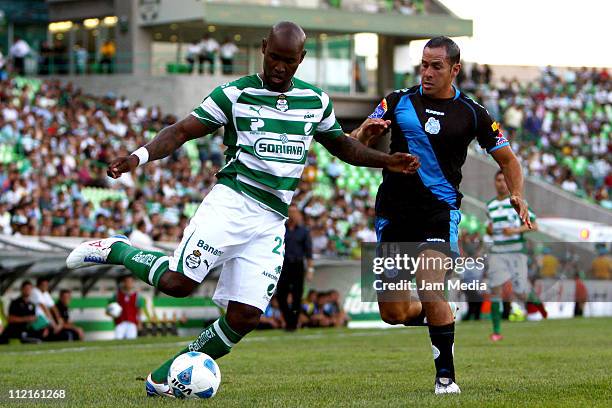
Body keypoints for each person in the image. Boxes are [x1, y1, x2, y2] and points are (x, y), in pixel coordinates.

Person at [66, 21, 419, 397]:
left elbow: (342, 146)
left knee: (246, 315)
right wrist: (138, 157)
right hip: (232, 203)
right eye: (274, 57)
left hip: (272, 220)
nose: (279, 67)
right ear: (263, 49)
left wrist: (386, 161)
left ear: (301, 60)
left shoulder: (315, 101)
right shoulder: (235, 94)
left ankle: (167, 375)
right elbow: (183, 130)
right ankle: (116, 248)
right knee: (178, 284)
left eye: (289, 61)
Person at [352, 36, 533, 394]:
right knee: (394, 314)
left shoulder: (473, 113)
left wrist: (517, 194)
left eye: (436, 66)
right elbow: (355, 144)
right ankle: (442, 313)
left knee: (431, 284)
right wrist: (365, 133)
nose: (427, 72)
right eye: (423, 64)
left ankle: (445, 379)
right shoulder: (396, 101)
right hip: (393, 213)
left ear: (455, 69)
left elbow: (509, 160)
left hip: (439, 212)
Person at [486, 170, 537, 341]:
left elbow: (534, 225)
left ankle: (536, 305)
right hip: (498, 251)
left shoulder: (518, 202)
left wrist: (515, 230)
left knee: (520, 290)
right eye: (498, 180)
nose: (501, 183)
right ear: (494, 182)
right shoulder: (490, 205)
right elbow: (489, 226)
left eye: (503, 180)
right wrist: (489, 229)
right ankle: (496, 331)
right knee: (495, 289)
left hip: (516, 251)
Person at [276, 204, 313, 331]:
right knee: (281, 295)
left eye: (295, 212)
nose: (293, 215)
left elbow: (309, 252)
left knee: (297, 296)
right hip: (283, 265)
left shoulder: (304, 231)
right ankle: (289, 320)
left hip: (297, 265)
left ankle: (293, 323)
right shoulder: (280, 229)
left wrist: (310, 270)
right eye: (290, 212)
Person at [108, 276, 145, 340]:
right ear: (124, 283)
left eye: (131, 282)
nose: (129, 283)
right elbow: (110, 307)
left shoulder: (136, 295)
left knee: (131, 341)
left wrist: (139, 322)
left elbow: (139, 309)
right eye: (127, 281)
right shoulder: (117, 295)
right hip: (120, 322)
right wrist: (111, 313)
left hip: (132, 323)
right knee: (118, 340)